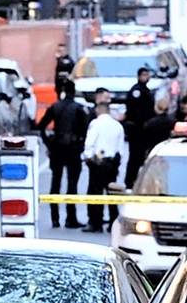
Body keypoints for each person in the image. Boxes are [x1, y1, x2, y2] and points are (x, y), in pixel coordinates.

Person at [37, 80, 89, 228]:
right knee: (72, 184)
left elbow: (41, 126)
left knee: (55, 183)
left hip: (57, 148)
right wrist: (80, 145)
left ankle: (55, 218)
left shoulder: (55, 107)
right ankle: (70, 218)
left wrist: (48, 142)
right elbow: (85, 131)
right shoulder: (78, 109)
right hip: (72, 148)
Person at [82, 102, 126, 232]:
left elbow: (89, 143)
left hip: (98, 161)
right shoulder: (117, 125)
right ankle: (113, 222)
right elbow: (120, 148)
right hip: (112, 162)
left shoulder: (95, 124)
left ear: (98, 110)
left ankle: (95, 222)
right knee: (111, 193)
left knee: (95, 193)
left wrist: (88, 157)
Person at [124, 66, 155, 189]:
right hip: (136, 129)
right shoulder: (136, 91)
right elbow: (135, 110)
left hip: (143, 129)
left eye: (147, 75)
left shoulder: (146, 90)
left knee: (141, 156)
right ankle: (130, 181)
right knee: (135, 157)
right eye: (144, 75)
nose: (146, 78)